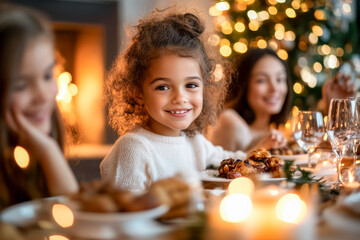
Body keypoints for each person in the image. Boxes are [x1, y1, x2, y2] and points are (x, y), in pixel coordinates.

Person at [100, 10, 246, 190]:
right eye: (163, 87)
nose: (180, 98)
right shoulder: (134, 149)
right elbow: (126, 211)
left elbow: (237, 162)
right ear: (138, 93)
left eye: (191, 85)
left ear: (205, 87)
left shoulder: (195, 142)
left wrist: (264, 148)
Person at [0, 3, 78, 209]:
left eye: (46, 75)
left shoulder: (37, 147)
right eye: (21, 85)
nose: (43, 95)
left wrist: (49, 150)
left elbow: (73, 214)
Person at [209, 48, 291, 153]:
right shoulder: (231, 122)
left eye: (279, 79)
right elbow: (223, 167)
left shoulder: (272, 131)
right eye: (262, 80)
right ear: (243, 85)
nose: (274, 88)